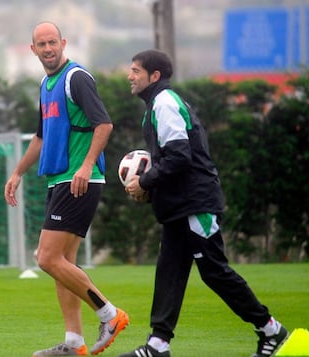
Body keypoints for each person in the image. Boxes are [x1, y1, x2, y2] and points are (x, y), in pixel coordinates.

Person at [120, 49, 288, 357]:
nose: (129, 76)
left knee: (214, 271)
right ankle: (158, 345)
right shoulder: (154, 106)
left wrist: (145, 181)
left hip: (195, 204)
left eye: (135, 71)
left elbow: (180, 157)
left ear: (154, 76)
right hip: (177, 206)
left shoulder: (165, 102)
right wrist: (151, 189)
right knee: (169, 271)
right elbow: (172, 161)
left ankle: (271, 330)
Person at [4, 22, 129, 357]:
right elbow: (42, 136)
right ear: (33, 50)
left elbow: (103, 124)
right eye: (41, 44)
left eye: (52, 42)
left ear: (63, 43)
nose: (48, 48)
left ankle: (109, 314)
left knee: (46, 257)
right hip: (59, 179)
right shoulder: (47, 84)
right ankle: (74, 343)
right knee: (63, 263)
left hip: (78, 180)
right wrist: (17, 172)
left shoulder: (76, 77)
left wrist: (87, 166)